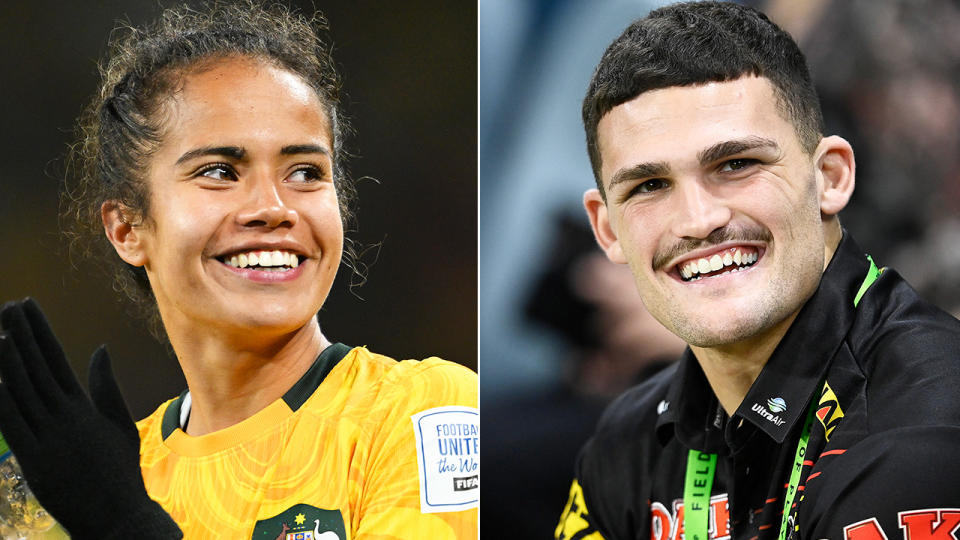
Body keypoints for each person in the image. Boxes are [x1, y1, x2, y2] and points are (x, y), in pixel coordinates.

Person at [0, 3, 477, 539]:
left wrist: (128, 528)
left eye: (305, 172)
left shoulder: (425, 413)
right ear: (127, 229)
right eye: (220, 171)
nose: (274, 207)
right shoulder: (90, 485)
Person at [554, 2, 960, 539]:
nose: (699, 222)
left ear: (830, 178)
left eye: (736, 165)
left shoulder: (920, 437)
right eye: (649, 186)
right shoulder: (626, 442)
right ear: (607, 230)